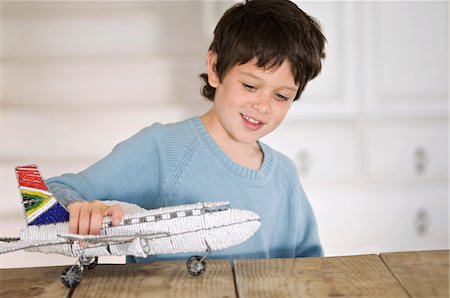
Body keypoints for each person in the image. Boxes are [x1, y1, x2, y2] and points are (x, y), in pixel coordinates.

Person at [47, 0, 326, 263]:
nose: (262, 106)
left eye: (281, 96)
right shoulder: (164, 150)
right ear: (215, 68)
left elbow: (311, 269)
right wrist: (78, 208)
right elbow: (52, 195)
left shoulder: (285, 175)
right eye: (250, 86)